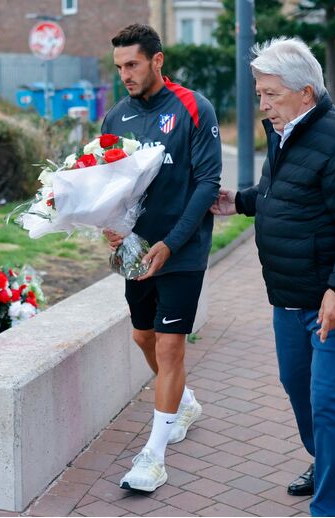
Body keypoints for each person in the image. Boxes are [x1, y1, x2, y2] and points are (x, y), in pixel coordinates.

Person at [211, 37, 335, 517]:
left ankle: (328, 504)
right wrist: (241, 201)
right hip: (287, 295)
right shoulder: (285, 130)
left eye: (270, 94)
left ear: (305, 93)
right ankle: (321, 459)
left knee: (328, 398)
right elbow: (281, 191)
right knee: (296, 384)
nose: (262, 105)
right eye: (260, 93)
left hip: (330, 297)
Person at [101, 24, 222, 492]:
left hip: (183, 249)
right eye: (119, 67)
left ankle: (154, 456)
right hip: (136, 251)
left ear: (157, 60)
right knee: (142, 336)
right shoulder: (115, 117)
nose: (125, 75)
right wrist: (109, 224)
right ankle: (184, 402)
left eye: (132, 64)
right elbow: (108, 184)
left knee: (171, 347)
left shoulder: (194, 107)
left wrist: (171, 242)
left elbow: (208, 182)